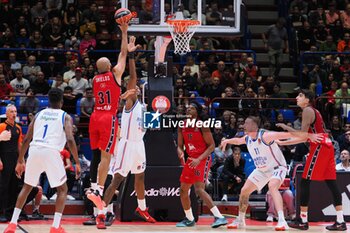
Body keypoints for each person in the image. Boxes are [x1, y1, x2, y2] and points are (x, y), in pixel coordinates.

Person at [220, 116, 321, 230]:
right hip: (261, 170)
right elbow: (238, 141)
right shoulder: (247, 138)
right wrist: (227, 140)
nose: (244, 125)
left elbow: (287, 135)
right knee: (244, 191)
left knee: (272, 186)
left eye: (246, 123)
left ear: (254, 126)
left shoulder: (265, 136)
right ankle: (241, 220)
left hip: (277, 167)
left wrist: (309, 136)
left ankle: (282, 221)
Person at [97, 36, 155, 230]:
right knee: (117, 180)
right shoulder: (130, 102)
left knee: (140, 176)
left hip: (139, 145)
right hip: (127, 145)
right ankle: (101, 213)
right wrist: (131, 56)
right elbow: (133, 77)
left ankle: (142, 208)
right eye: (133, 87)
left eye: (137, 88)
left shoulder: (143, 105)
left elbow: (149, 125)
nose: (135, 87)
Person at [3, 88, 81, 233]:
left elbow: (26, 139)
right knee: (62, 189)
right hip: (51, 151)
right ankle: (56, 226)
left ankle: (12, 224)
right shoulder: (65, 116)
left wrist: (20, 160)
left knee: (27, 187)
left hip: (34, 150)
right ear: (61, 102)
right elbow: (70, 139)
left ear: (49, 100)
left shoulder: (39, 114)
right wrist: (76, 162)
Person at [276, 89, 347, 231]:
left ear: (307, 99)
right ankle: (340, 221)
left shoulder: (308, 111)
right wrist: (284, 143)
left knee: (305, 181)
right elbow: (304, 137)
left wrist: (286, 127)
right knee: (332, 183)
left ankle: (302, 220)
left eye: (300, 95)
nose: (296, 97)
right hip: (327, 146)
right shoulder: (314, 111)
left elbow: (302, 136)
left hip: (320, 147)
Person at [86, 22, 128, 213]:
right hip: (107, 118)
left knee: (95, 155)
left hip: (94, 116)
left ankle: (94, 184)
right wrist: (124, 32)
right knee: (106, 157)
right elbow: (123, 54)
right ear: (110, 66)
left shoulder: (95, 80)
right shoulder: (115, 74)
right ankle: (98, 190)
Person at [176, 101, 227, 228]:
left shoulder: (202, 125)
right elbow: (180, 145)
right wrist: (180, 152)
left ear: (197, 112)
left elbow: (211, 146)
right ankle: (189, 219)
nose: (188, 110)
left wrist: (199, 159)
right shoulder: (181, 125)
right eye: (187, 108)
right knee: (183, 190)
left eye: (192, 108)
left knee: (199, 189)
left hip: (202, 159)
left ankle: (219, 217)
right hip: (191, 160)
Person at [0, 105, 23, 223]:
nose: (14, 114)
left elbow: (20, 146)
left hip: (14, 158)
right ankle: (2, 212)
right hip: (4, 157)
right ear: (6, 114)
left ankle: (11, 213)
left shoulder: (18, 128)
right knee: (3, 186)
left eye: (15, 111)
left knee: (14, 186)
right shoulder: (1, 126)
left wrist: (21, 161)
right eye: (11, 112)